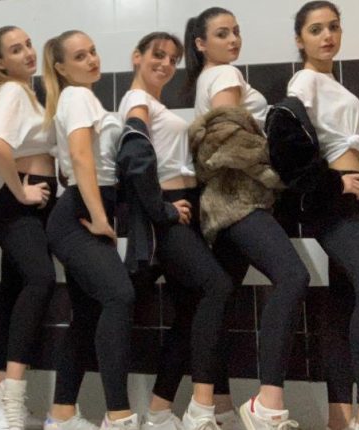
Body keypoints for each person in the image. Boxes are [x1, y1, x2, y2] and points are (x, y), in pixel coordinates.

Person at [266, 3, 359, 429]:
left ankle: (338, 419)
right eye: (316, 29)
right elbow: (286, 145)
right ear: (299, 39)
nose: (327, 36)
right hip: (336, 204)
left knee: (344, 306)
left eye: (333, 27)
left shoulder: (342, 90)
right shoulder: (304, 82)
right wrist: (331, 182)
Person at [184, 7, 310, 429]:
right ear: (201, 44)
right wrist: (276, 173)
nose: (233, 39)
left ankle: (214, 407)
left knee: (220, 297)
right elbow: (228, 141)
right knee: (292, 277)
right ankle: (266, 405)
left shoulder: (207, 78)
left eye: (236, 31)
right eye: (222, 33)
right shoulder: (224, 75)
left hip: (219, 202)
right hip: (238, 198)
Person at [117, 31, 237, 430]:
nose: (166, 63)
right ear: (136, 56)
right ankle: (201, 408)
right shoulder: (138, 100)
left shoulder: (154, 104)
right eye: (158, 54)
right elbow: (134, 154)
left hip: (183, 212)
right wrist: (162, 210)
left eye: (173, 58)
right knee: (216, 286)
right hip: (169, 217)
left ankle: (159, 412)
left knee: (190, 313)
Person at [41, 30, 137, 430]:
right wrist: (99, 217)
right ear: (61, 68)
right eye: (80, 56)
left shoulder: (84, 98)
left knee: (88, 314)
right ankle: (118, 415)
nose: (92, 60)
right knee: (119, 296)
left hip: (86, 210)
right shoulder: (76, 96)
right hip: (80, 214)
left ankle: (61, 415)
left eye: (93, 52)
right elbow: (81, 157)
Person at [0, 25, 57, 430]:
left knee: (13, 295)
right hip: (19, 202)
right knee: (41, 280)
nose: (28, 52)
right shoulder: (12, 90)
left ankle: (0, 398)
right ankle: (11, 395)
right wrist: (20, 191)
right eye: (15, 49)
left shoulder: (26, 92)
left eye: (28, 44)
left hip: (34, 201)